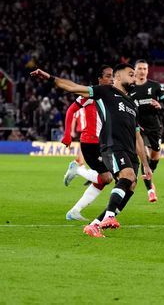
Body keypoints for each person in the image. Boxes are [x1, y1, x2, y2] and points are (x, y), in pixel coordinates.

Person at [30, 64, 152, 238]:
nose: (134, 78)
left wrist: (146, 165)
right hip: (112, 146)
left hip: (130, 151)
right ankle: (109, 216)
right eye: (130, 74)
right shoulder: (105, 92)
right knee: (127, 177)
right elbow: (73, 87)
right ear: (117, 77)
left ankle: (94, 225)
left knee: (130, 186)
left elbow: (137, 136)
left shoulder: (132, 104)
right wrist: (50, 77)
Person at [61, 65, 114, 221]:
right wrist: (67, 135)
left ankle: (75, 211)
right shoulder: (91, 94)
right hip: (90, 142)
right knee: (107, 178)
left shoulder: (111, 95)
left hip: (103, 143)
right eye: (108, 76)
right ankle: (78, 169)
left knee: (106, 179)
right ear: (100, 79)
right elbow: (71, 110)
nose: (111, 79)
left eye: (113, 76)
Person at [130, 60, 164, 202]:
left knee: (155, 157)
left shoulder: (155, 86)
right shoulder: (129, 88)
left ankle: (149, 174)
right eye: (139, 68)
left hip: (155, 127)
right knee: (144, 159)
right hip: (138, 128)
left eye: (144, 68)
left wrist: (161, 105)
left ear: (147, 70)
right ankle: (150, 190)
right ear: (135, 70)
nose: (142, 71)